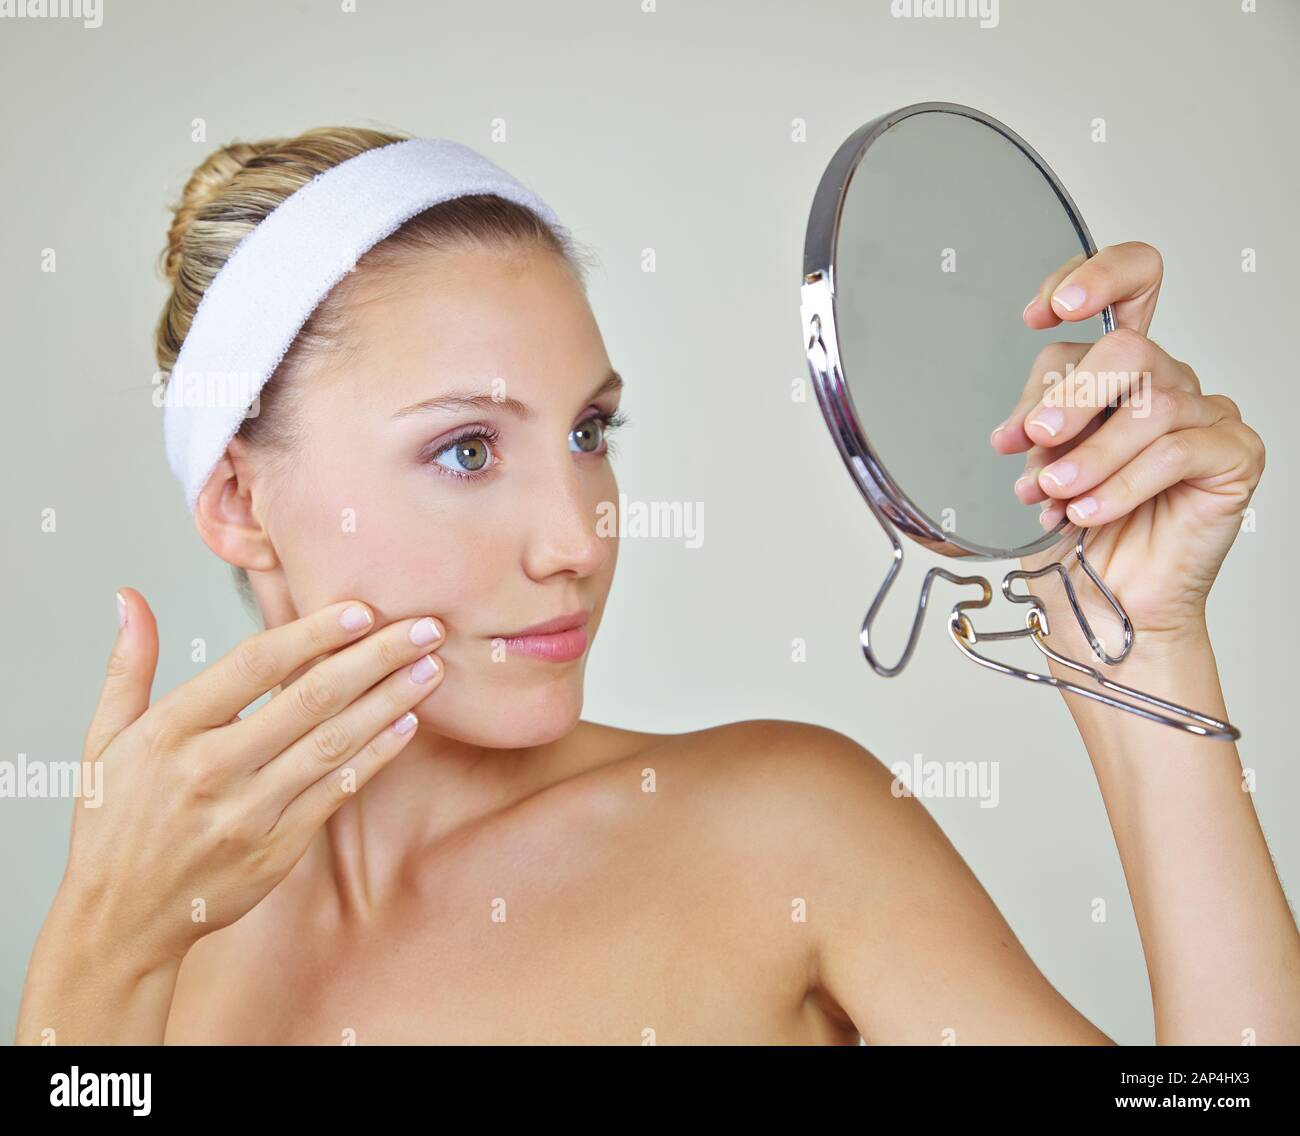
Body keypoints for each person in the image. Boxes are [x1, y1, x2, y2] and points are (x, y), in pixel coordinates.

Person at [15, 127, 1298, 1045]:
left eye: (589, 432)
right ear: (242, 501)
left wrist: (1142, 662)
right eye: (467, 449)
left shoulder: (780, 831)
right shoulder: (156, 964)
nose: (574, 536)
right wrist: (97, 949)